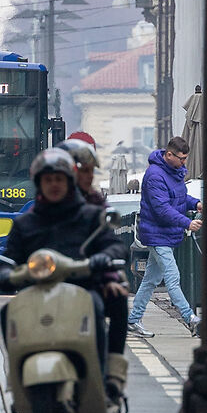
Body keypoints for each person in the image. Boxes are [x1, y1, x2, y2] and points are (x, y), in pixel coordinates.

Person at [0, 147, 124, 392]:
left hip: (81, 291)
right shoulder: (25, 223)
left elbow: (114, 246)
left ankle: (104, 376)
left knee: (97, 308)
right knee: (7, 313)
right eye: (48, 180)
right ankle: (16, 370)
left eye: (59, 179)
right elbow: (9, 261)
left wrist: (103, 257)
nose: (53, 185)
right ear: (39, 183)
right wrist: (4, 276)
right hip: (37, 294)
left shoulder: (91, 215)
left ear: (69, 182)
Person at [64, 135, 130, 397]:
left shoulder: (96, 204)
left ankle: (111, 373)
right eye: (85, 172)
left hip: (90, 278)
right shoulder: (46, 205)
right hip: (52, 280)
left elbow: (110, 241)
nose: (90, 178)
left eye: (92, 172)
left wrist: (109, 269)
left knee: (115, 303)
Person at [130, 136, 201, 337]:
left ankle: (133, 320)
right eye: (181, 158)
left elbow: (179, 197)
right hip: (157, 235)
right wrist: (187, 222)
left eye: (186, 158)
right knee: (173, 277)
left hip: (163, 234)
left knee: (150, 280)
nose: (184, 162)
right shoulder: (155, 176)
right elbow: (162, 209)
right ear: (169, 155)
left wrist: (195, 203)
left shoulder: (173, 171)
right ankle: (190, 319)